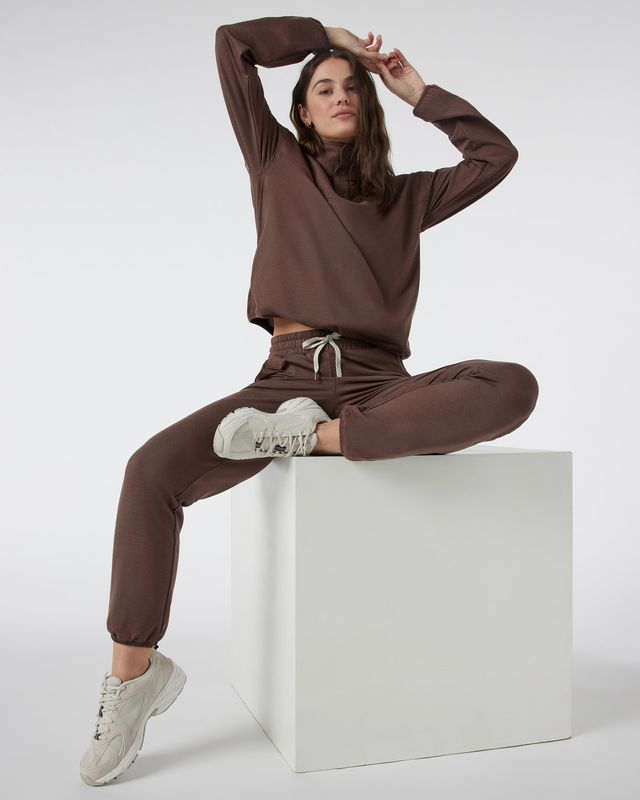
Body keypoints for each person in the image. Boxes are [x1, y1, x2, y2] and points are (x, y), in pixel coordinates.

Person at [79, 16, 539, 785]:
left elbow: (496, 156)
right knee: (149, 472)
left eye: (352, 86)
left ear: (371, 106)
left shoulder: (407, 197)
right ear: (300, 110)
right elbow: (233, 44)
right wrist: (333, 36)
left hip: (378, 386)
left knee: (513, 385)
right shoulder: (276, 160)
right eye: (323, 87)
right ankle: (134, 676)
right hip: (283, 383)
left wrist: (416, 90)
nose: (340, 94)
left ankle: (312, 440)